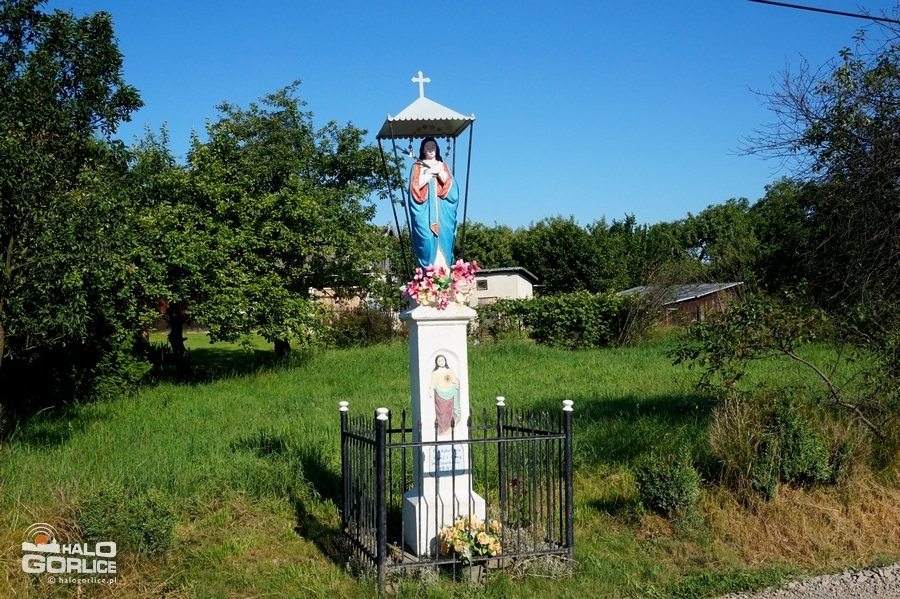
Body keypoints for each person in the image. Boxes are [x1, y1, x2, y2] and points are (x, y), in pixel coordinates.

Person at [408, 137, 459, 269]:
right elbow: (414, 187)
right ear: (423, 150)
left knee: (446, 238)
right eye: (427, 147)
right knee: (425, 239)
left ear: (437, 149)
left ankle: (444, 272)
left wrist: (441, 174)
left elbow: (453, 190)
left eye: (433, 146)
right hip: (424, 211)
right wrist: (428, 175)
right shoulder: (418, 166)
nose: (431, 149)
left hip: (443, 212)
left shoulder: (443, 166)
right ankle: (428, 273)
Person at [431, 354, 460, 436]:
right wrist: (431, 389)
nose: (441, 362)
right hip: (440, 395)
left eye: (442, 360)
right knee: (441, 413)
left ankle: (449, 429)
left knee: (450, 411)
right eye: (439, 360)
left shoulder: (449, 371)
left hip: (450, 393)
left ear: (445, 361)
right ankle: (442, 430)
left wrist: (456, 382)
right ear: (436, 362)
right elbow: (433, 383)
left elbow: (454, 380)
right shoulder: (435, 373)